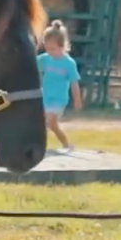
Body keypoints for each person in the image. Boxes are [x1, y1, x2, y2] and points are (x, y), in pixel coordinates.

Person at [37, 19, 84, 153]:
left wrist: (77, 99)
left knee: (51, 122)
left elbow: (74, 83)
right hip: (45, 96)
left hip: (58, 99)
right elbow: (31, 66)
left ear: (62, 46)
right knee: (43, 124)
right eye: (47, 49)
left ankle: (66, 144)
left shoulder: (69, 63)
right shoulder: (44, 59)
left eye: (53, 49)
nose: (49, 52)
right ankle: (44, 145)